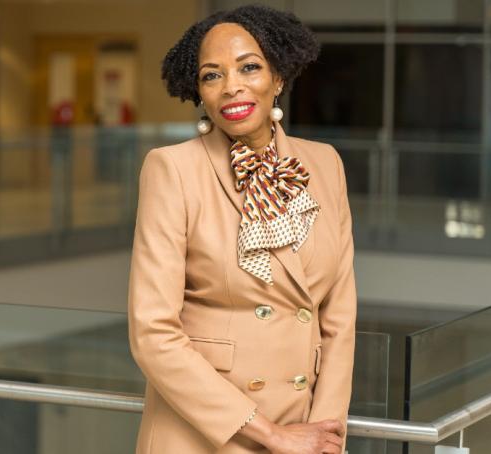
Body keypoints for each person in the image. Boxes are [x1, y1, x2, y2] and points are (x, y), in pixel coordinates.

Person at [127, 5, 357, 454]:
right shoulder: (171, 169)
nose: (231, 86)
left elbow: (339, 316)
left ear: (278, 79)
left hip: (304, 433)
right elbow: (152, 334)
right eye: (212, 75)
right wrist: (271, 435)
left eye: (249, 67)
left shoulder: (325, 163)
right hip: (205, 434)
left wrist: (325, 436)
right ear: (198, 91)